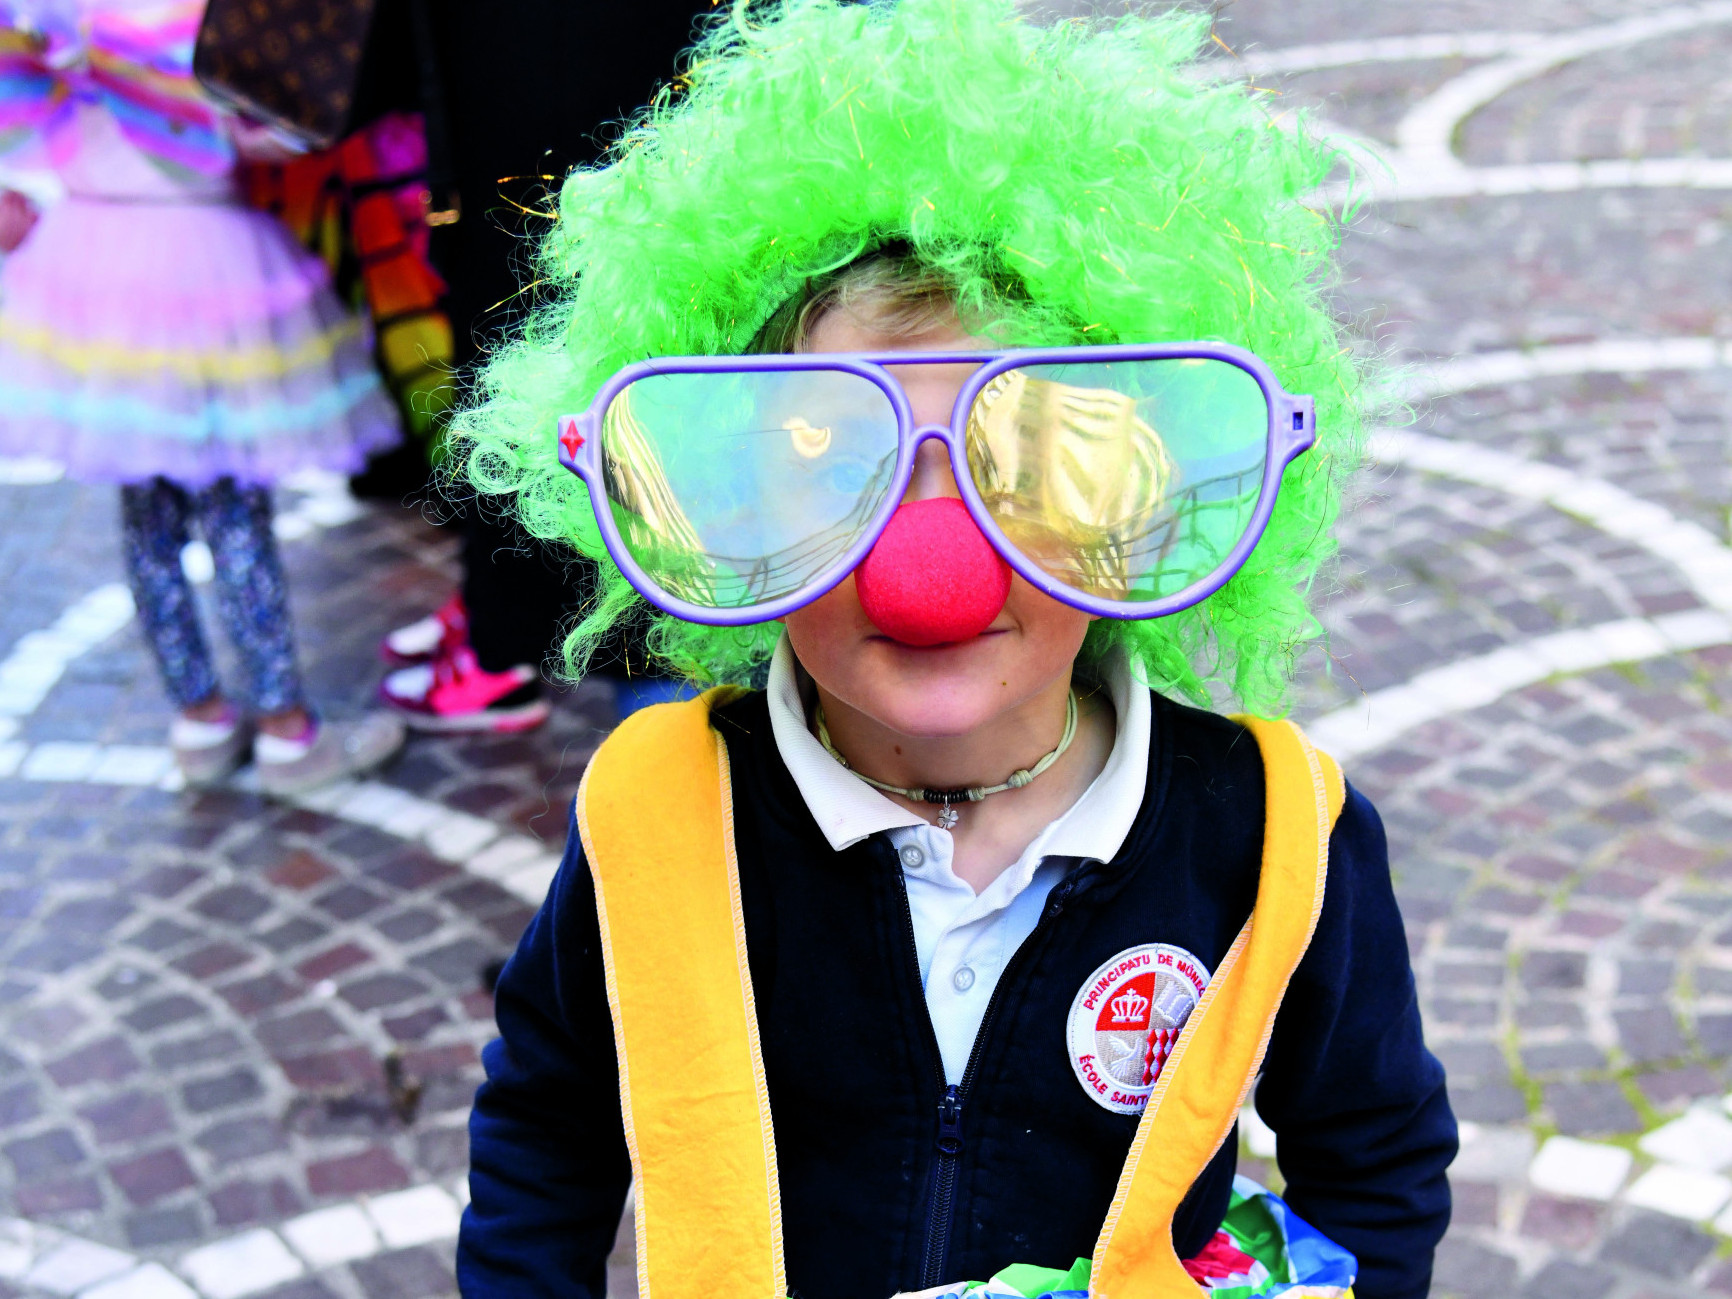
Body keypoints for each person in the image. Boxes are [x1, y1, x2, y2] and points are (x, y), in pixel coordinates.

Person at [454, 2, 1457, 1297]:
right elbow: (547, 1122)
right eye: (832, 457)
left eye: (1027, 459)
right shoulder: (657, 812)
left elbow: (1375, 1153)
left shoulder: (1275, 833)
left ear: (1139, 494)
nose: (932, 564)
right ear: (734, 501)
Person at [0, 0, 405, 792]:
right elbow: (277, 133)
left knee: (147, 518)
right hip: (201, 264)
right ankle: (289, 732)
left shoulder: (58, 9)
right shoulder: (208, 17)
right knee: (234, 511)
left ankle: (199, 721)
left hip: (88, 263)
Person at [373, 0, 705, 732]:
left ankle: (620, 696)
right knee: (543, 375)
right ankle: (512, 625)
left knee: (633, 396)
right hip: (562, 125)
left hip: (606, 123)